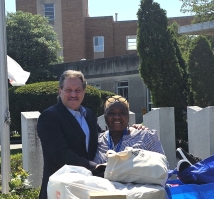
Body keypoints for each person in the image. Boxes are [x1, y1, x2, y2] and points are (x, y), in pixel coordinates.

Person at [37, 70, 145, 199]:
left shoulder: (88, 114)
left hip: (88, 188)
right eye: (68, 90)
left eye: (78, 90)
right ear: (60, 91)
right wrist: (96, 167)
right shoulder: (50, 116)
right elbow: (61, 154)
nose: (73, 94)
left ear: (84, 92)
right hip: (61, 189)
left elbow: (102, 138)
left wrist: (130, 131)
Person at [94, 95, 165, 164]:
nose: (116, 117)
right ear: (105, 117)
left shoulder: (146, 136)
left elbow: (163, 166)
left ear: (128, 116)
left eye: (122, 113)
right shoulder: (97, 140)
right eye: (111, 113)